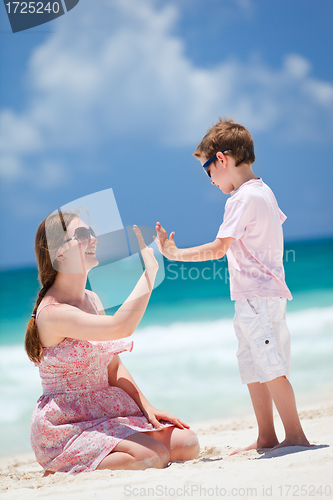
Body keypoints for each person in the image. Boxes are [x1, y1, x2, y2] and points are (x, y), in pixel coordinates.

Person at [154, 117, 310, 453]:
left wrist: (174, 254)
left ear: (221, 159)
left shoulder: (240, 199)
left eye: (207, 170)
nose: (209, 180)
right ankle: (267, 436)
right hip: (256, 296)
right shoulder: (264, 192)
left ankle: (295, 434)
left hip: (257, 297)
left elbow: (218, 248)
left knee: (269, 367)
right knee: (254, 365)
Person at [25, 210, 199, 474]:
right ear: (59, 253)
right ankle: (62, 465)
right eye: (82, 235)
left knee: (188, 443)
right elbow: (121, 326)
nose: (93, 239)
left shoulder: (91, 300)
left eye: (92, 232)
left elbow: (113, 367)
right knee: (152, 457)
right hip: (67, 424)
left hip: (104, 410)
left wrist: (147, 407)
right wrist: (149, 273)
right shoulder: (52, 312)